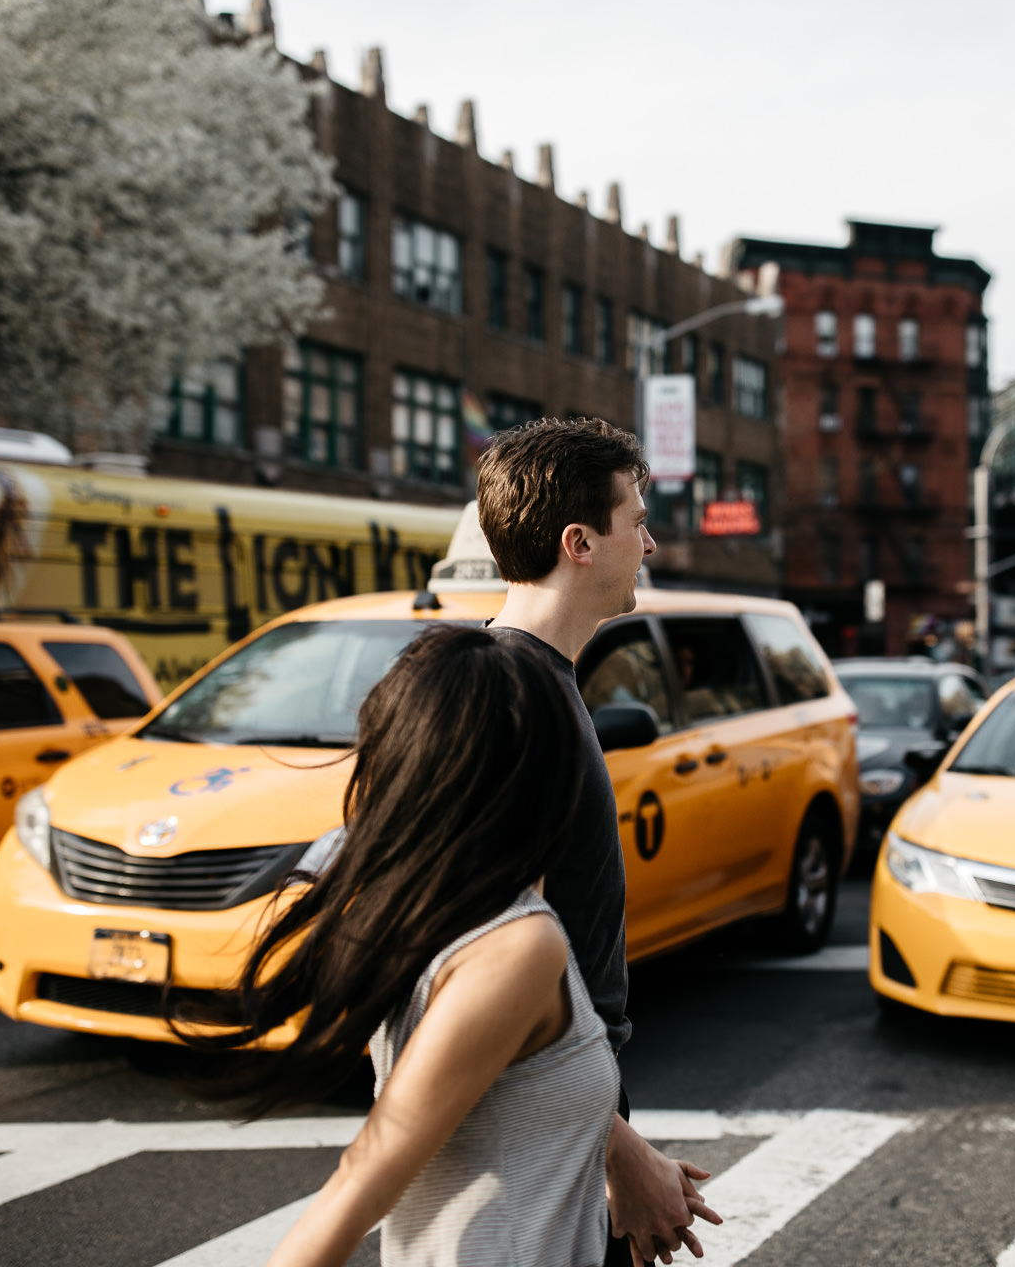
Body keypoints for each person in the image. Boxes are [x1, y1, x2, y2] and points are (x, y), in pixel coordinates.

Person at [176, 627, 618, 1266]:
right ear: (539, 777)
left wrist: (624, 1157)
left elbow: (504, 1101)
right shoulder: (517, 945)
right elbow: (360, 1184)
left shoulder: (423, 904)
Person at [479, 417, 722, 1267]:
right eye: (638, 519)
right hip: (544, 1117)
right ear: (580, 542)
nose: (651, 543)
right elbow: (485, 958)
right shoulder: (513, 700)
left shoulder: (539, 683)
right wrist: (619, 1150)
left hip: (571, 1101)